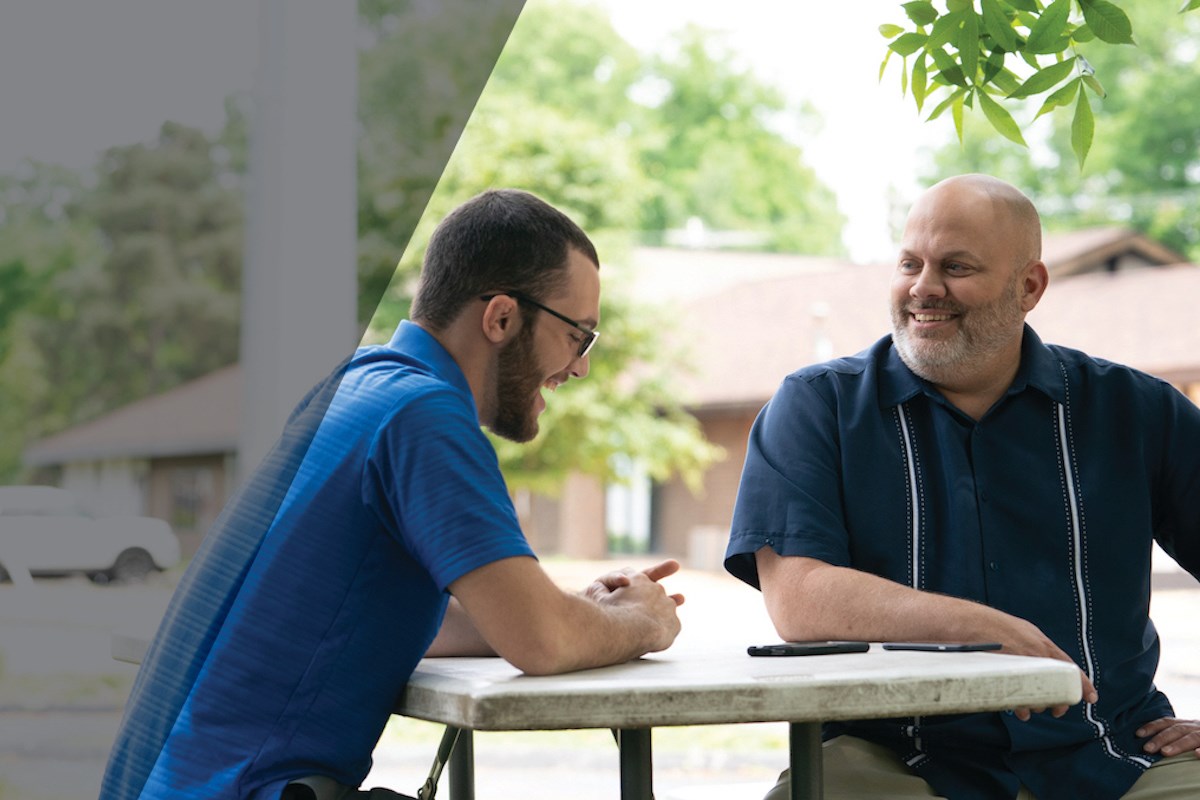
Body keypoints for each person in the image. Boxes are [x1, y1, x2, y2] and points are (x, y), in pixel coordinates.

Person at [101, 189, 684, 800]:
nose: (581, 366)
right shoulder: (424, 417)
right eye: (578, 336)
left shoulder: (355, 386)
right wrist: (643, 622)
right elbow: (541, 642)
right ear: (502, 318)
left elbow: (404, 618)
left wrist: (579, 610)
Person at [725, 174, 1200, 800]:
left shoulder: (1137, 411)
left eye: (955, 266)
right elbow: (801, 598)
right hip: (892, 759)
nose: (924, 287)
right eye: (908, 263)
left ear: (1029, 287)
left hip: (1115, 754)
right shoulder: (819, 407)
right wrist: (988, 632)